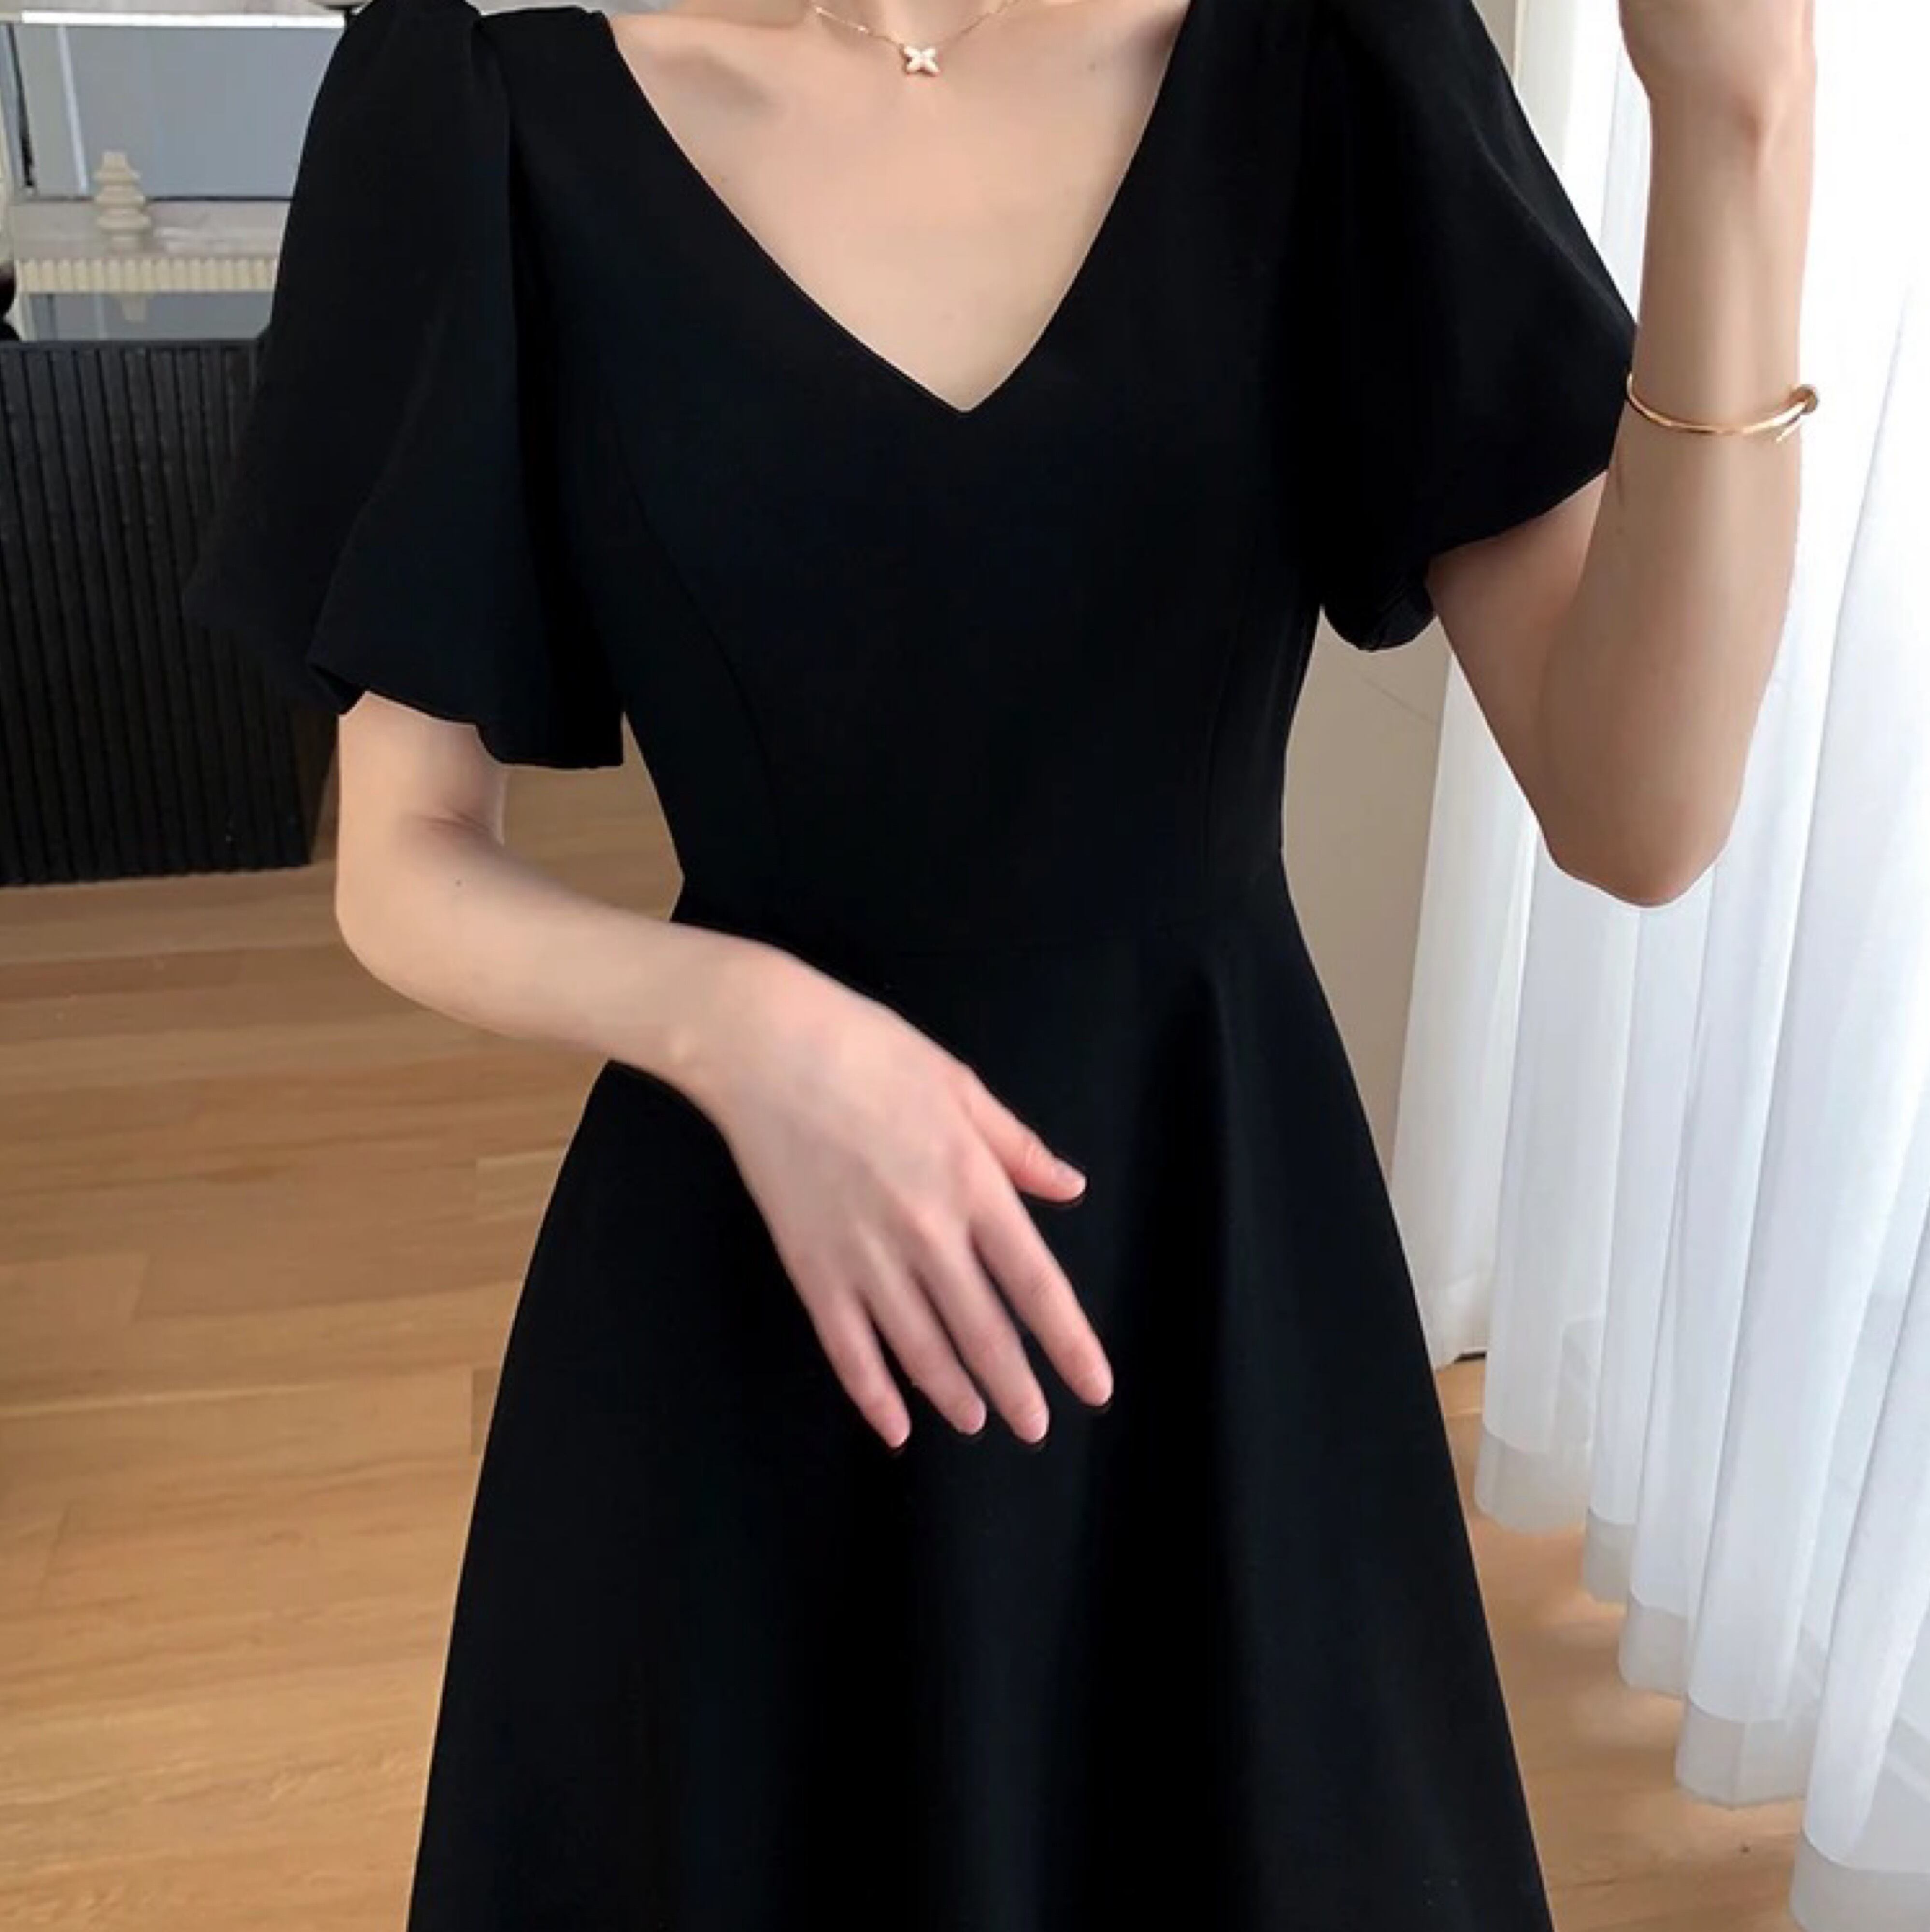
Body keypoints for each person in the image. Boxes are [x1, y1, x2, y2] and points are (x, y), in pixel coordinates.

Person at [181, 0, 1815, 1921]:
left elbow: (1639, 812)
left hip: (1214, 1275)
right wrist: (740, 1022)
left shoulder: (1326, 72)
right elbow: (402, 861)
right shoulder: (488, 113)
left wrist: (1737, 121)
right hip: (754, 1299)